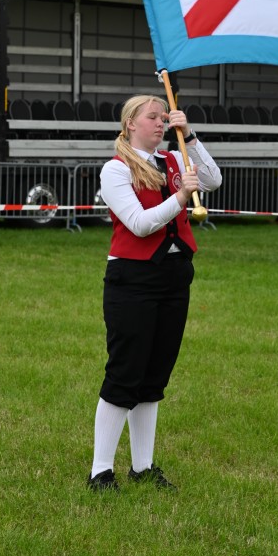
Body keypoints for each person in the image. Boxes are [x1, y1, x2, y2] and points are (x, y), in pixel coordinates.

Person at [88, 94, 222, 492]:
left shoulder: (175, 158)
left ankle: (142, 467)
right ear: (131, 123)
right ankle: (100, 471)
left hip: (174, 275)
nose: (161, 123)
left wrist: (190, 136)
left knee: (155, 375)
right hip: (133, 278)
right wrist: (180, 199)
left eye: (164, 118)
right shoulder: (115, 169)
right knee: (125, 372)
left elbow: (213, 179)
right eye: (153, 117)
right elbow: (139, 223)